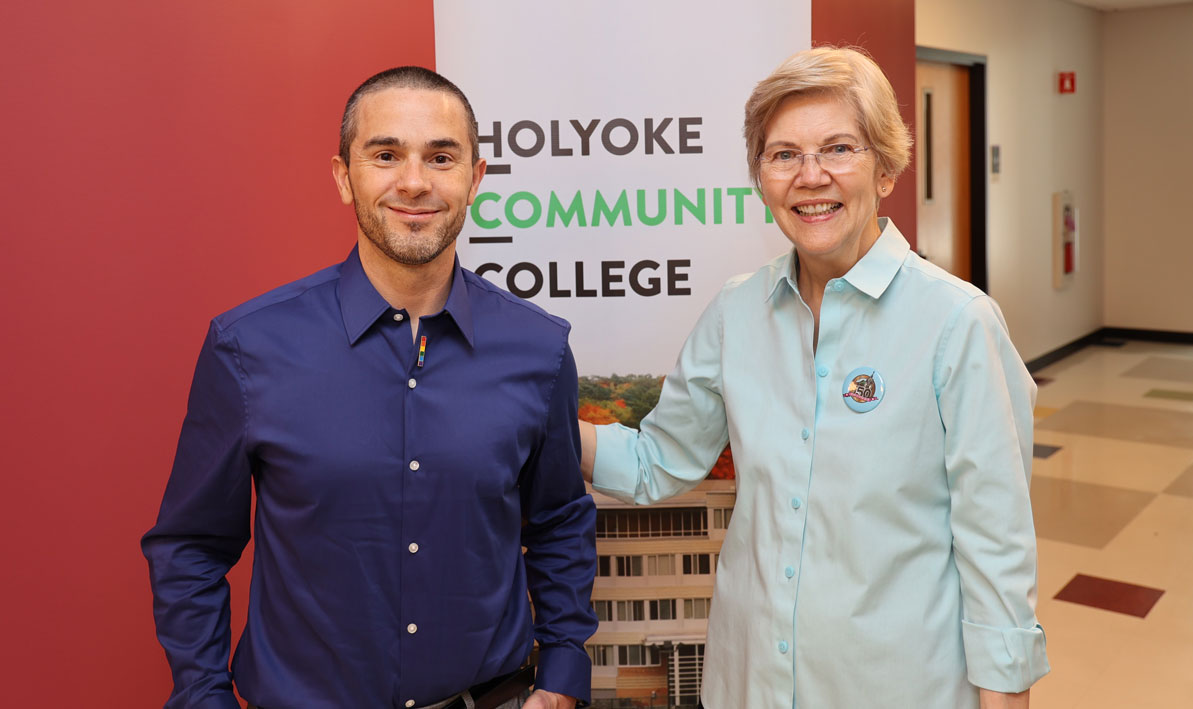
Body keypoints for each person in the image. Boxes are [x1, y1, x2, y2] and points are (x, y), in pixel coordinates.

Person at [580, 47, 1048, 708]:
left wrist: (1005, 691)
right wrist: (538, 427)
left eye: (837, 148)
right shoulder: (735, 311)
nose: (810, 176)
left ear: (885, 168)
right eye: (783, 154)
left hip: (898, 684)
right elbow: (660, 459)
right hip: (750, 682)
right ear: (761, 175)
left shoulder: (957, 322)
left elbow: (993, 536)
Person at [142, 66, 597, 709]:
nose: (414, 182)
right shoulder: (248, 348)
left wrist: (563, 675)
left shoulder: (539, 349)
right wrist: (203, 695)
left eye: (441, 157)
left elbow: (557, 522)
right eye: (385, 155)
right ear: (343, 176)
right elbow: (190, 546)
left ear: (476, 179)